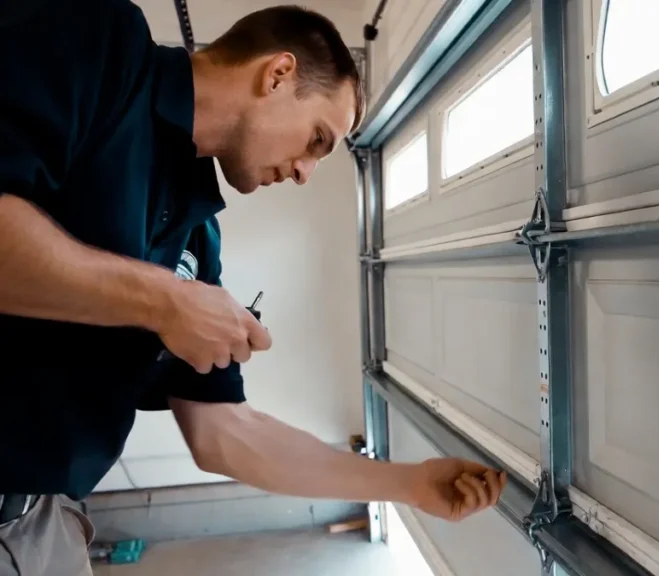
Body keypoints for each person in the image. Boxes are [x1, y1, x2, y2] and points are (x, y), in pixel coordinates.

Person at [0, 1, 507, 574]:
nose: (304, 172)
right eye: (317, 139)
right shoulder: (98, 43)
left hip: (43, 523)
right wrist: (165, 301)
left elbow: (224, 433)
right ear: (278, 73)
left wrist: (408, 484)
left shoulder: (195, 237)